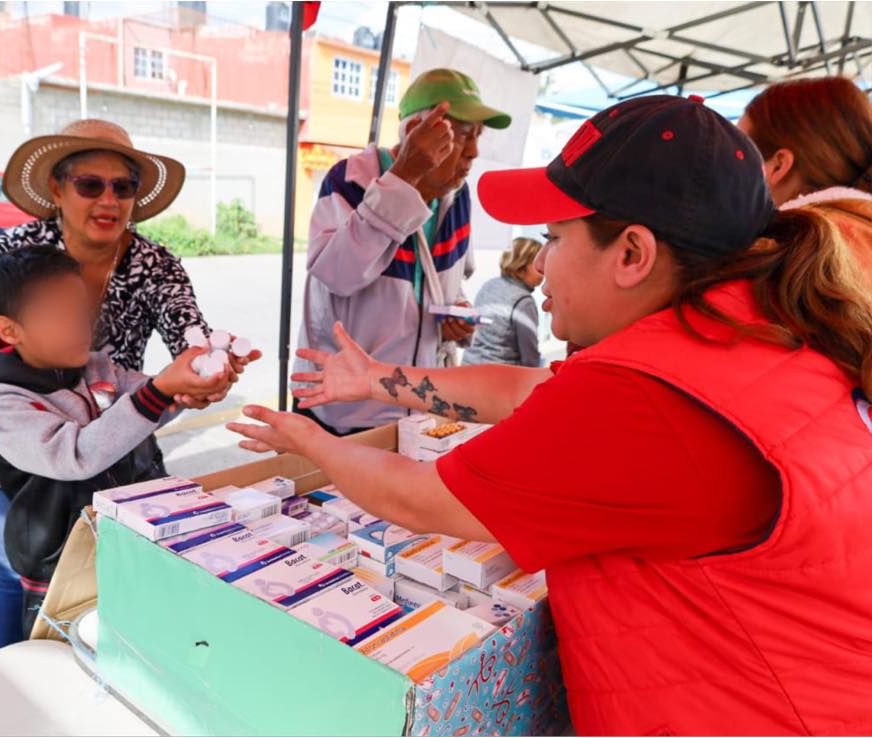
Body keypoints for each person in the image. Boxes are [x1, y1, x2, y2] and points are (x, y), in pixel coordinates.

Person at [230, 95, 872, 734]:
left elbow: (422, 498)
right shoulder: (748, 325)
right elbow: (528, 391)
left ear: (632, 254)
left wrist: (309, 442)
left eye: (554, 238)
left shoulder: (648, 398)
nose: (539, 266)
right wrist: (375, 379)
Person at [0, 118, 260, 651]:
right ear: (57, 189)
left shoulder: (155, 264)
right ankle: (9, 679)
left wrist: (210, 371)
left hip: (113, 441)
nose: (108, 199)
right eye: (90, 185)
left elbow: (191, 337)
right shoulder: (14, 254)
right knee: (15, 574)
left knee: (117, 573)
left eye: (123, 186)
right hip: (18, 449)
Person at [0, 246, 232, 635]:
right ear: (10, 330)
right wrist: (162, 390)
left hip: (126, 540)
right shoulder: (6, 406)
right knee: (67, 651)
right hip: (61, 565)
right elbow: (76, 455)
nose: (79, 328)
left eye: (82, 313)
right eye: (59, 316)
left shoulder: (96, 365)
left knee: (135, 635)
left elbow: (148, 398)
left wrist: (193, 384)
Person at [293, 68, 511, 436]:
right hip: (347, 411)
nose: (473, 151)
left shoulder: (457, 196)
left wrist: (456, 314)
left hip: (420, 405)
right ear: (415, 133)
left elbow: (450, 285)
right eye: (460, 134)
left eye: (478, 136)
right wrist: (403, 181)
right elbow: (337, 274)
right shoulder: (350, 179)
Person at [738, 76, 872, 276]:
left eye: (739, 154)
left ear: (779, 165)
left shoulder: (778, 260)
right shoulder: (860, 234)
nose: (730, 168)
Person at [462, 237, 543, 367]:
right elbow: (530, 358)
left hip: (469, 368)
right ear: (522, 266)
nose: (543, 270)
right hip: (499, 377)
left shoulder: (489, 285)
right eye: (539, 265)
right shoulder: (523, 301)